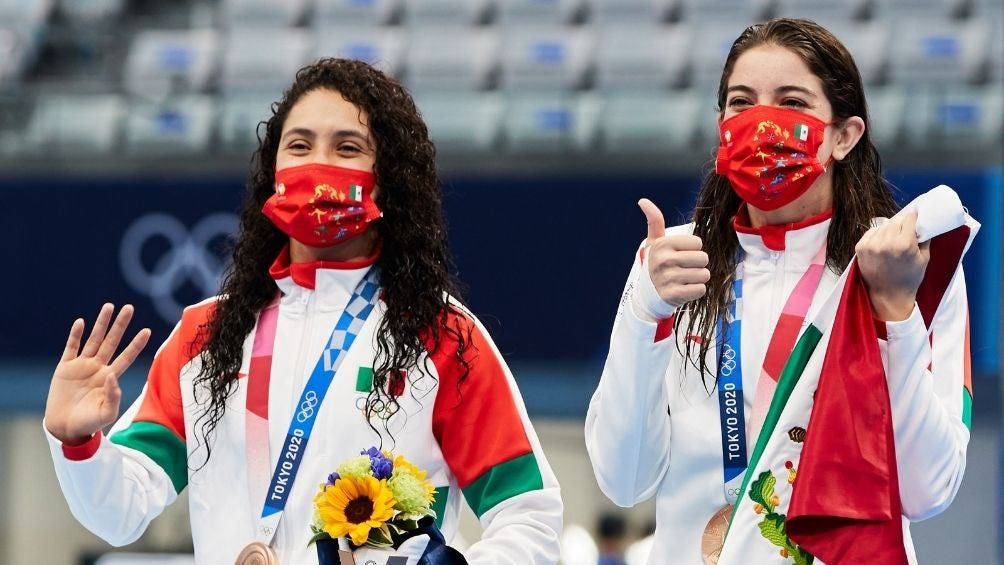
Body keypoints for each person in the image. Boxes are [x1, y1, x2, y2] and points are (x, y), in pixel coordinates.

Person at [43, 58, 563, 564]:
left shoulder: (441, 334)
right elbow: (120, 512)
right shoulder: (206, 335)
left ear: (388, 178)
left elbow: (528, 514)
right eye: (299, 145)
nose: (320, 165)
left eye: (347, 147)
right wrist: (79, 443)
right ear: (273, 172)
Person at [585, 18, 976, 565]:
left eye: (791, 102)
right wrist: (645, 312)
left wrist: (897, 311)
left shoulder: (905, 260)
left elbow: (927, 490)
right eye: (742, 104)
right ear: (720, 124)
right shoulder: (673, 261)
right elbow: (623, 480)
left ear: (844, 135)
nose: (762, 123)